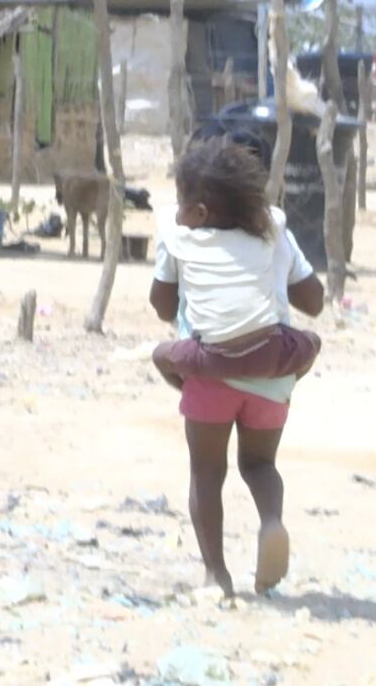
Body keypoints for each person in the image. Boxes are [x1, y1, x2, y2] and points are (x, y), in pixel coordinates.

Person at [150, 136, 324, 598]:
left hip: (209, 372)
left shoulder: (178, 235)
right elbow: (315, 302)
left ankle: (216, 577)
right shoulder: (273, 230)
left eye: (182, 201)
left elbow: (161, 304)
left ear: (201, 210)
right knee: (260, 463)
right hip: (271, 373)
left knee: (206, 474)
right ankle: (271, 522)